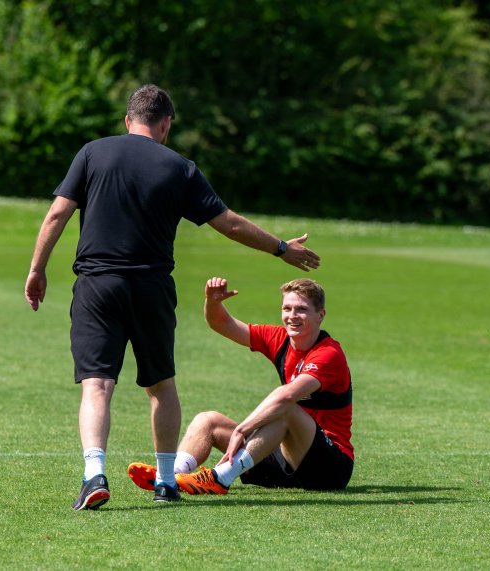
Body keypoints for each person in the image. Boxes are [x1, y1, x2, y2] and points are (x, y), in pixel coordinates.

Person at [24, 84, 320, 510]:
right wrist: (280, 248)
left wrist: (37, 269)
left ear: (128, 121)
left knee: (98, 384)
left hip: (97, 284)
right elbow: (229, 223)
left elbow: (57, 212)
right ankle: (166, 479)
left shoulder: (92, 153)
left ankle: (94, 475)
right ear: (165, 125)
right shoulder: (180, 167)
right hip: (152, 288)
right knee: (161, 386)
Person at [127, 276, 353, 497]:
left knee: (287, 409)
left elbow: (287, 396)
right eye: (287, 308)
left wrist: (242, 430)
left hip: (329, 468)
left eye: (301, 309)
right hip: (285, 460)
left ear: (320, 315)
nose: (292, 316)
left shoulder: (329, 354)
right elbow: (222, 323)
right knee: (208, 421)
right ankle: (169, 478)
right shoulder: (279, 339)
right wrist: (213, 302)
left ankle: (219, 478)